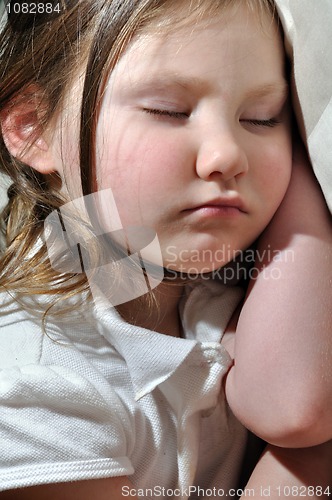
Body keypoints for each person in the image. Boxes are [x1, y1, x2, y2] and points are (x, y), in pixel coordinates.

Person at [0, 0, 331, 498]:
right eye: (168, 111)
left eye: (264, 118)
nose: (227, 154)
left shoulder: (229, 281)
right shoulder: (29, 384)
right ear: (32, 126)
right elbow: (307, 420)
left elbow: (292, 405)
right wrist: (315, 454)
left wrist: (305, 169)